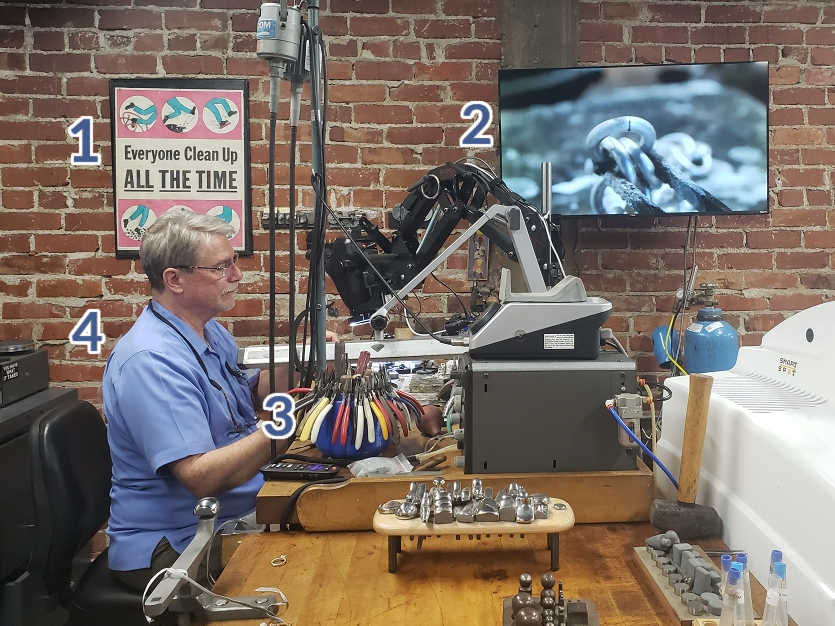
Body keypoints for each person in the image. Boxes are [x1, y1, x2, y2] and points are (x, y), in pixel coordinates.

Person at [102, 211, 290, 591]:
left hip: (228, 517)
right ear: (174, 279)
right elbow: (202, 477)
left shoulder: (208, 332)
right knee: (311, 565)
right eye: (221, 268)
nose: (237, 276)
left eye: (234, 263)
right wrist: (287, 428)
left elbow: (249, 397)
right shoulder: (151, 360)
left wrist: (301, 367)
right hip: (177, 544)